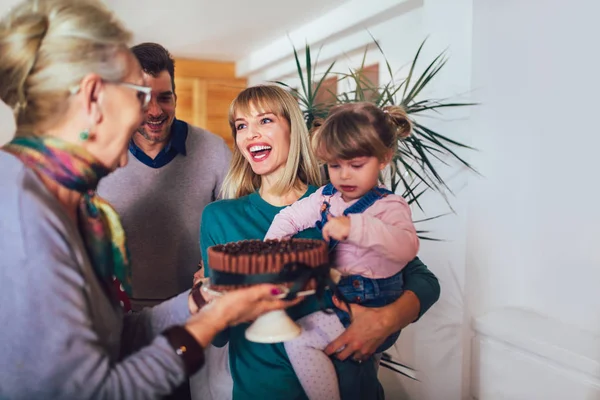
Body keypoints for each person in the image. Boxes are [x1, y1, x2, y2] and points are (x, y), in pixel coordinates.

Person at [0, 1, 294, 398]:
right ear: (93, 97)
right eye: (138, 94)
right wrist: (209, 325)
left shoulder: (67, 202)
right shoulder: (21, 213)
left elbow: (115, 335)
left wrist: (199, 302)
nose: (149, 112)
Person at [198, 85, 440, 400]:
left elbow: (424, 281)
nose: (250, 134)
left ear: (293, 130)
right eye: (241, 125)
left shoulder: (338, 202)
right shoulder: (220, 217)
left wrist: (385, 320)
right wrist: (205, 295)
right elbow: (218, 335)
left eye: (265, 121)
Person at [264, 102, 420, 399]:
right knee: (300, 340)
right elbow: (289, 216)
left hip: (374, 302)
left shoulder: (389, 206)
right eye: (335, 166)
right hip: (341, 299)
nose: (344, 176)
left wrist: (355, 228)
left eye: (356, 165)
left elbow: (406, 248)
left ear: (384, 158)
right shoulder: (325, 197)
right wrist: (273, 243)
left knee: (313, 347)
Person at [98, 42, 231, 312]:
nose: (155, 111)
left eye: (164, 97)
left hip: (195, 308)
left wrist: (215, 263)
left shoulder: (214, 149)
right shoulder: (99, 153)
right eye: (143, 98)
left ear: (176, 98)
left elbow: (234, 226)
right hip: (116, 310)